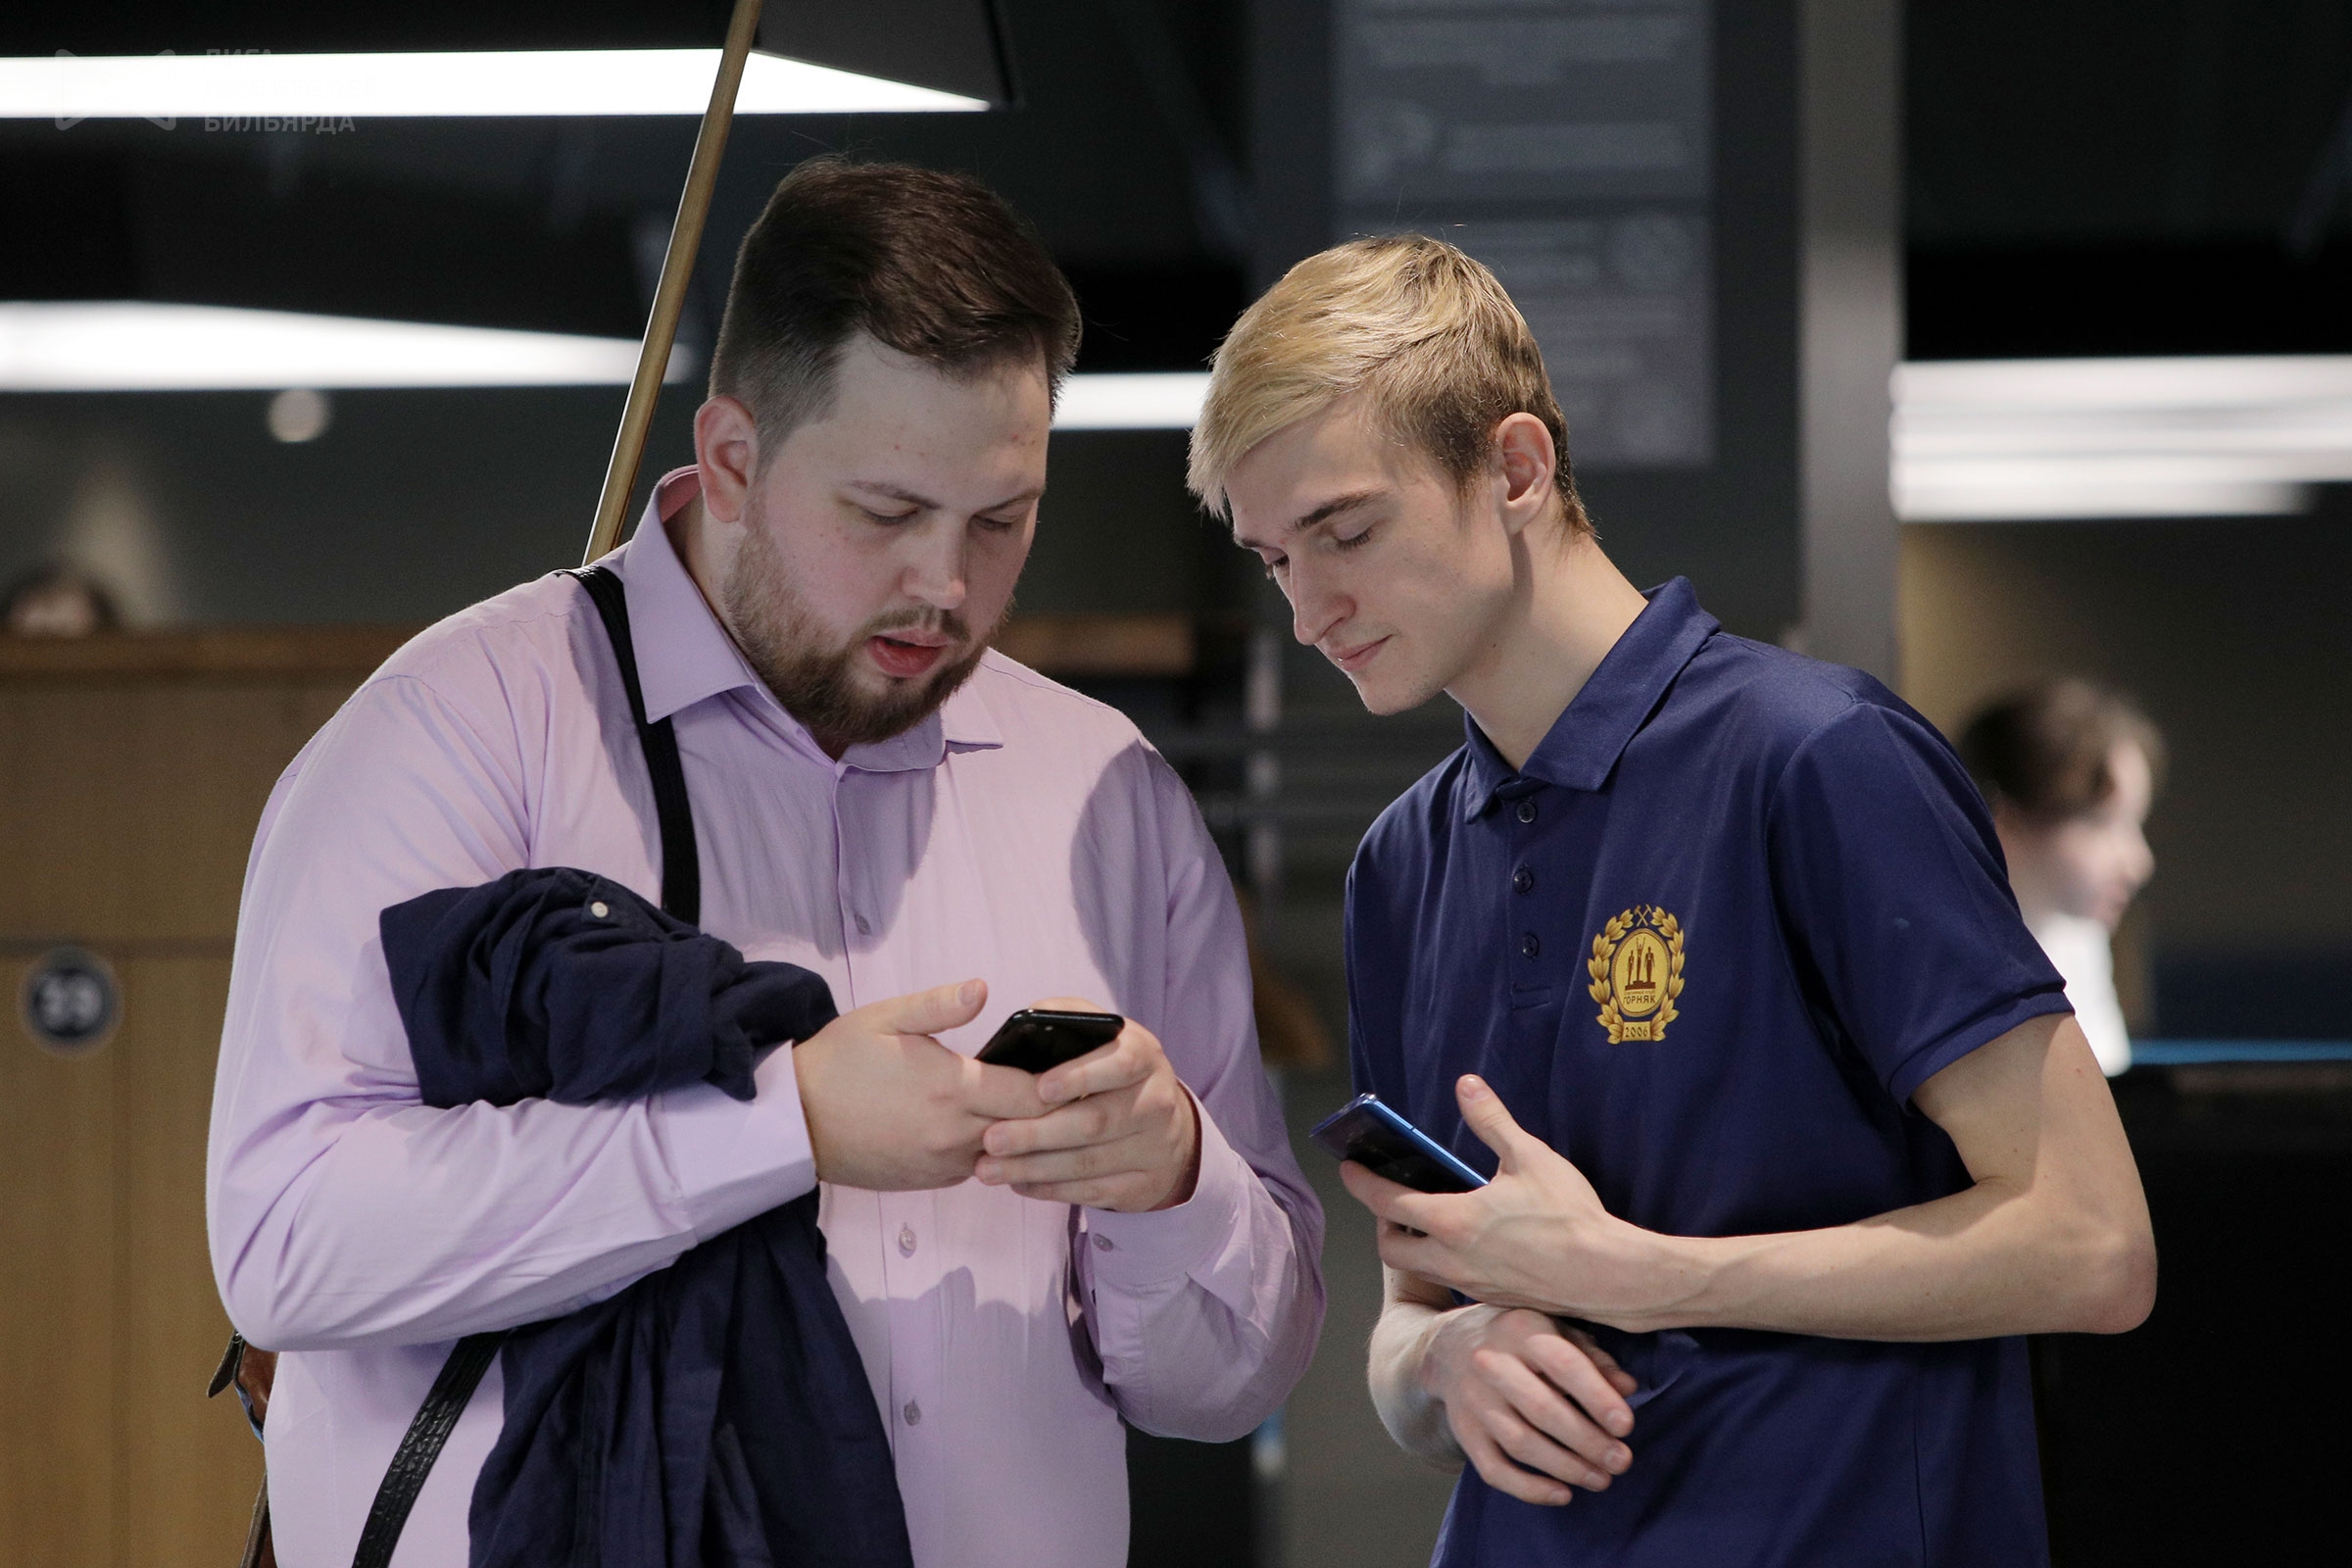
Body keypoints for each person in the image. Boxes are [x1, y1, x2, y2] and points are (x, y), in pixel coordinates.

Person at [207, 158, 1324, 1568]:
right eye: (885, 512)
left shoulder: (1109, 796)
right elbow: (287, 1242)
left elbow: (1227, 1386)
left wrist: (1176, 1181)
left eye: (1000, 520)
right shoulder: (460, 736)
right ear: (732, 458)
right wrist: (779, 1126)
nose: (947, 585)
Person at [1188, 234, 2154, 1567]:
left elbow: (2094, 1245)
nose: (1309, 612)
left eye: (1345, 532)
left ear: (1515, 469)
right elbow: (1407, 1320)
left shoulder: (1818, 758)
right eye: (1273, 561)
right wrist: (1450, 1362)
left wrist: (1645, 1274)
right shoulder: (1399, 867)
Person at [1959, 679, 2163, 1076]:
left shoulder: (2079, 936)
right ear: (2003, 815)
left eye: (2134, 822)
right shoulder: (1946, 961)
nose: (2139, 862)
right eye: (2100, 823)